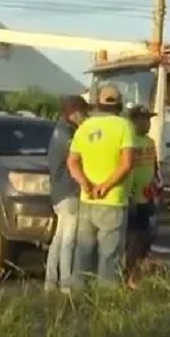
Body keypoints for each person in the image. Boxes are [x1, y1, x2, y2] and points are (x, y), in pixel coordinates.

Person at [67, 84, 135, 289]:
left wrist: (85, 183)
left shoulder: (84, 127)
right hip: (113, 200)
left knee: (83, 253)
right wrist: (105, 186)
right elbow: (127, 163)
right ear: (120, 104)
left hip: (87, 200)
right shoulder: (124, 126)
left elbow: (72, 162)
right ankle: (106, 303)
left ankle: (77, 298)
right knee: (109, 256)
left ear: (98, 103)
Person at [45, 95, 89, 293]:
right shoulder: (69, 134)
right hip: (70, 191)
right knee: (69, 241)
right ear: (73, 112)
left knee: (59, 239)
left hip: (58, 192)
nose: (85, 116)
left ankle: (50, 282)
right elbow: (81, 156)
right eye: (83, 112)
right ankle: (66, 284)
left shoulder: (58, 131)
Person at [125, 105, 160, 289]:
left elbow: (154, 167)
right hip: (132, 198)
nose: (147, 123)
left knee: (146, 236)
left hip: (148, 196)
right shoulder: (129, 141)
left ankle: (139, 271)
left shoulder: (150, 142)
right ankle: (129, 274)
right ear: (134, 120)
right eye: (144, 119)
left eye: (149, 119)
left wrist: (156, 185)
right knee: (133, 238)